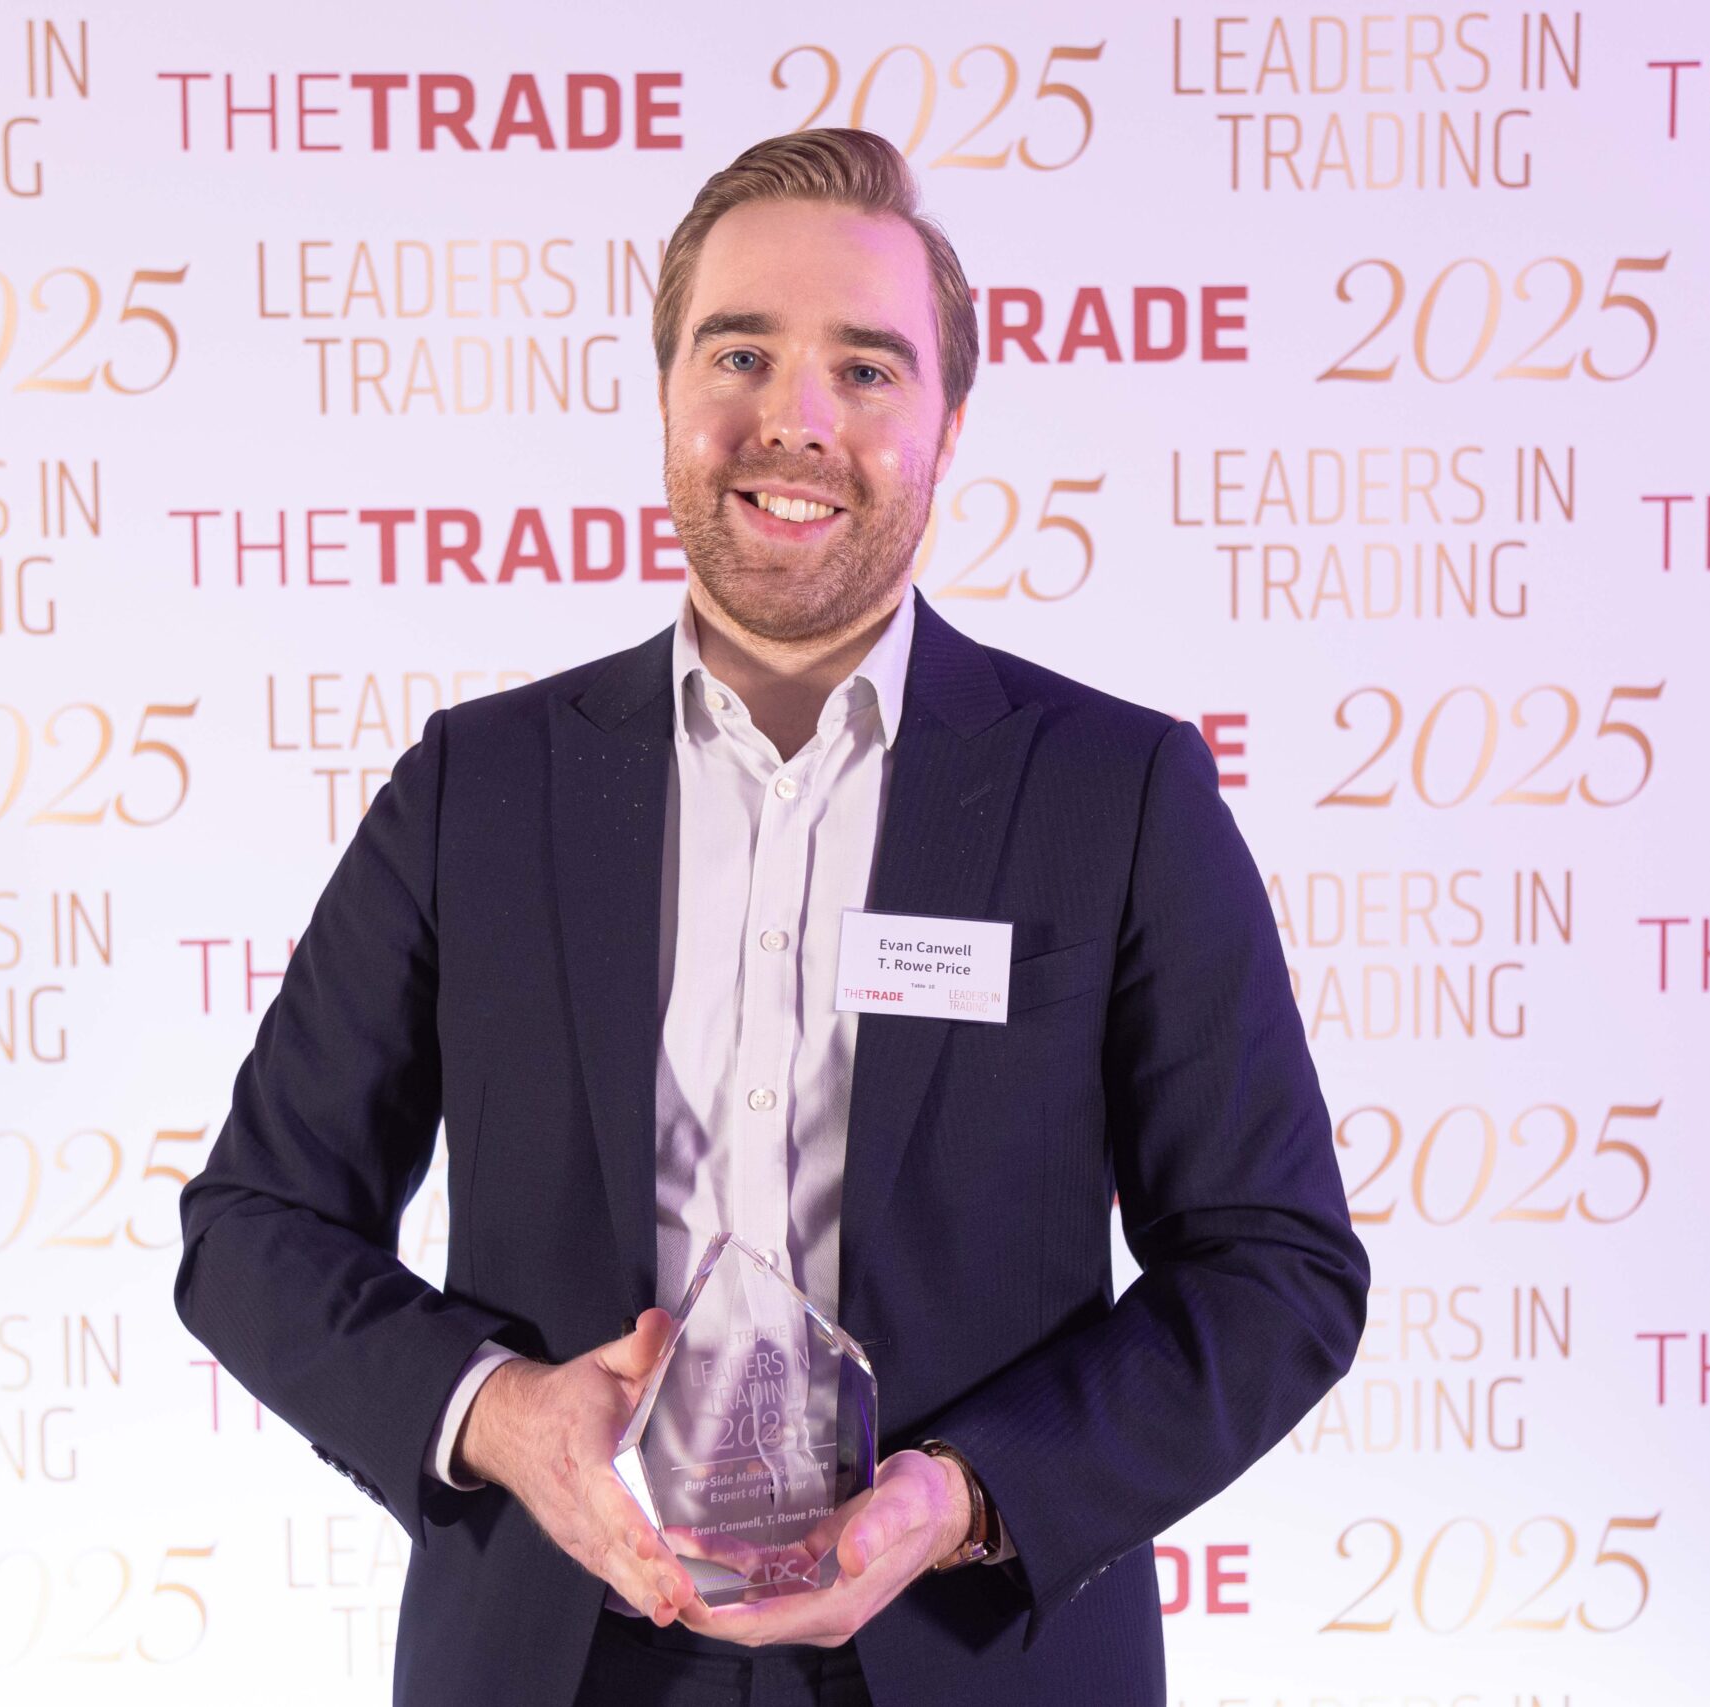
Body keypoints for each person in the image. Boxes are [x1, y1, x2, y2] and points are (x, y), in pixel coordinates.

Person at [173, 127, 1369, 1707]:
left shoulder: (1115, 795)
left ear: (948, 425)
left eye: (866, 369)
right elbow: (256, 1226)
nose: (795, 418)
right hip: (554, 1660)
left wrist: (960, 1500)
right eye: (740, 353)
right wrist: (502, 1417)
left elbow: (1276, 1270)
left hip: (969, 1653)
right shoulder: (480, 789)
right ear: (666, 388)